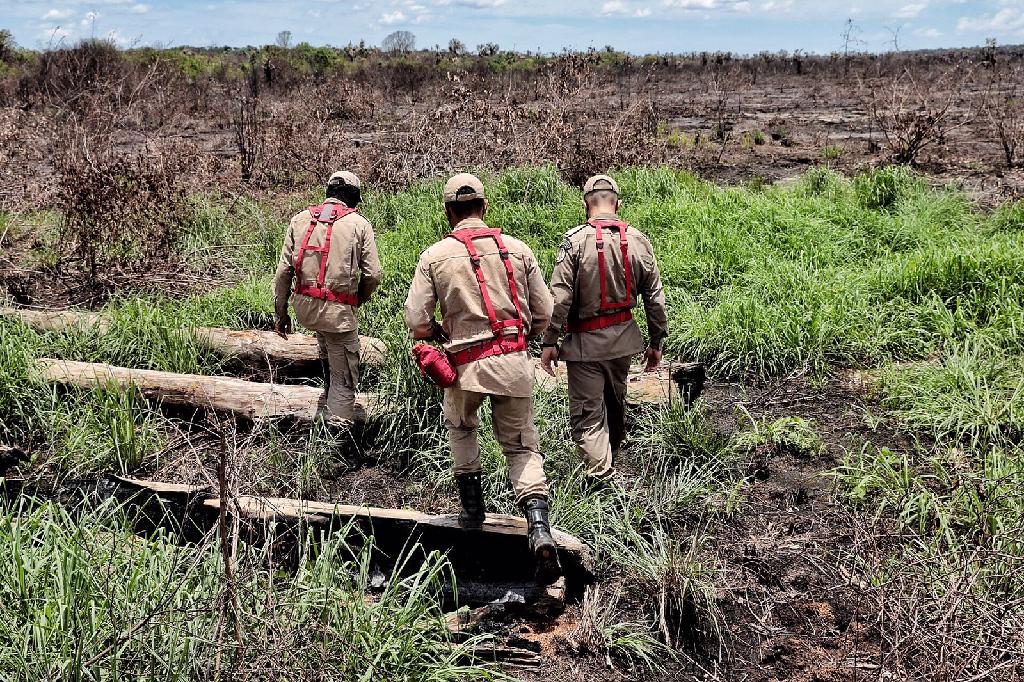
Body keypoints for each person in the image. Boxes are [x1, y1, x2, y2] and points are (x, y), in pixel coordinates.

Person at [405, 173, 560, 581]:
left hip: (464, 367)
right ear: (485, 207)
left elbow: (416, 321)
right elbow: (545, 313)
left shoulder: (434, 255)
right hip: (513, 362)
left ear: (448, 212)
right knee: (522, 447)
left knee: (461, 428)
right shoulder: (518, 249)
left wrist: (440, 331)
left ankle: (472, 513)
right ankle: (539, 529)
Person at [540, 174, 668, 481]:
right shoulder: (638, 240)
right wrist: (656, 342)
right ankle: (612, 460)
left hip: (585, 347)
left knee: (588, 417)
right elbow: (655, 298)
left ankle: (603, 482)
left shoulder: (574, 241)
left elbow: (559, 299)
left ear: (585, 204)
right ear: (617, 204)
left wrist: (549, 341)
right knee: (614, 404)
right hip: (623, 342)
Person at [273, 171, 382, 424]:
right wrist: (357, 299)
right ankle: (336, 439)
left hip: (305, 309)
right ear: (353, 197)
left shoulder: (300, 219)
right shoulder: (359, 224)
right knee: (345, 381)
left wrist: (281, 313)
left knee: (325, 341)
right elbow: (374, 275)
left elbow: (283, 272)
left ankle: (327, 391)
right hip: (338, 314)